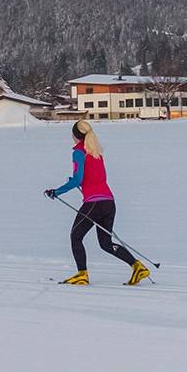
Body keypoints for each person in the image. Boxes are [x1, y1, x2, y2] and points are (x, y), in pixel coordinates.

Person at [44, 119, 149, 286]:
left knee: (75, 237)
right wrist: (81, 183)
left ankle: (82, 274)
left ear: (75, 136)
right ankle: (137, 267)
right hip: (109, 202)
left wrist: (56, 192)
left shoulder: (78, 152)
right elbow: (97, 178)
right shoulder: (96, 153)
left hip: (94, 203)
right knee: (106, 243)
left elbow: (78, 179)